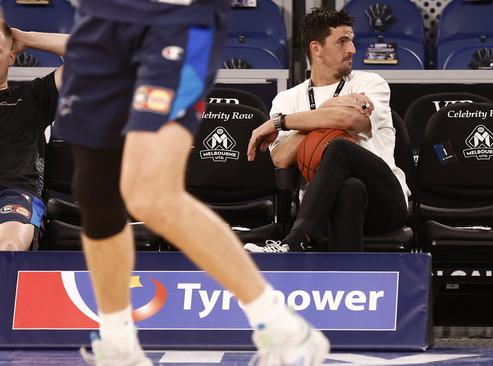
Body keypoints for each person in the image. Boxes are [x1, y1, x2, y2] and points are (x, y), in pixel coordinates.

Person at [55, 1, 328, 365]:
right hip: (101, 20)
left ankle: (282, 328)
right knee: (94, 190)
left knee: (150, 195)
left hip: (176, 19)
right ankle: (118, 344)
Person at [246, 8, 409, 253]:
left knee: (340, 146)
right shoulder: (287, 99)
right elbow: (280, 158)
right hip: (326, 207)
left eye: (352, 41)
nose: (352, 49)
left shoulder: (371, 83)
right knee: (349, 188)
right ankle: (348, 287)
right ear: (316, 48)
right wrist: (325, 112)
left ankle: (294, 242)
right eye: (342, 41)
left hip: (385, 202)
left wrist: (282, 123)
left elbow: (351, 119)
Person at [0, 22, 67, 251]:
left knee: (8, 246)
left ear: (11, 57)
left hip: (14, 196)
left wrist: (26, 38)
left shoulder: (33, 97)